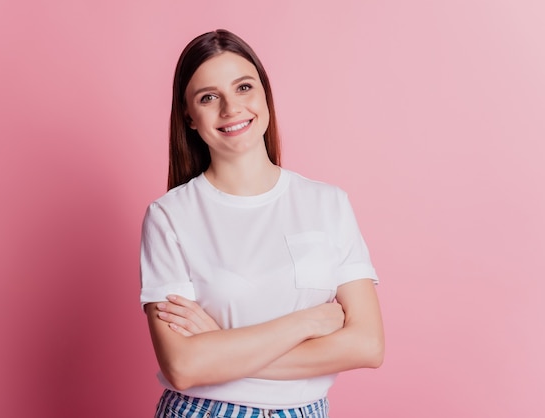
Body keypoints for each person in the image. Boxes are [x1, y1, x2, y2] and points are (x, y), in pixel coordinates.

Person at [140, 29, 384, 418]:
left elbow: (367, 345)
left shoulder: (328, 203)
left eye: (243, 87)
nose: (231, 108)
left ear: (265, 94)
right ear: (189, 116)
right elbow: (184, 367)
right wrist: (309, 322)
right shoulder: (170, 216)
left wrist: (219, 349)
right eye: (209, 97)